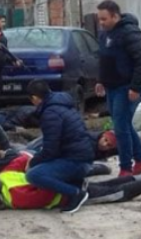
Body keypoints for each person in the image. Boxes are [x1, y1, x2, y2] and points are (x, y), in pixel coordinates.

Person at [0, 152, 141, 209]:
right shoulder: (4, 176)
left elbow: (44, 197)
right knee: (113, 184)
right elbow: (22, 159)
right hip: (66, 178)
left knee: (119, 193)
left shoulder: (12, 198)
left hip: (68, 194)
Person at [95, 0, 141, 177]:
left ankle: (126, 168)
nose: (101, 23)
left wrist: (135, 87)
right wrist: (101, 80)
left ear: (115, 16)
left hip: (126, 88)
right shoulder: (104, 35)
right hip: (111, 88)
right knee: (124, 125)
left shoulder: (129, 33)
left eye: (104, 19)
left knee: (120, 128)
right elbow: (104, 60)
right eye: (99, 19)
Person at [24, 80, 96, 214]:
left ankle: (75, 193)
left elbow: (51, 149)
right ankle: (77, 182)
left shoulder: (50, 113)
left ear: (35, 98)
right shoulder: (64, 104)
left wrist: (33, 161)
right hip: (83, 157)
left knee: (33, 175)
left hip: (76, 161)